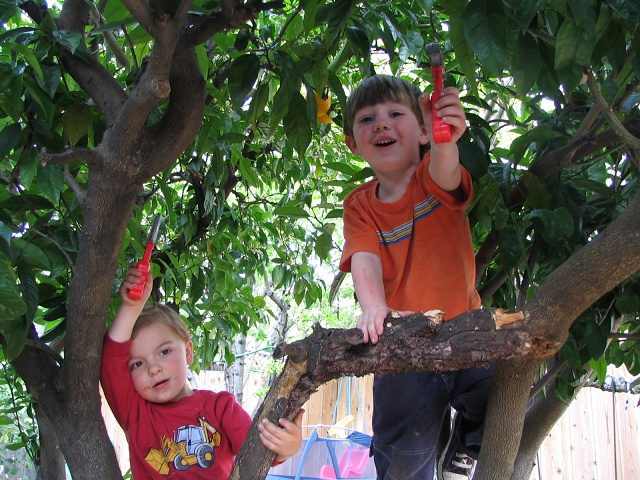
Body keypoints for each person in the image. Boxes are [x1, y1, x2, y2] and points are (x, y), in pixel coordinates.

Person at [339, 74, 495, 480]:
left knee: (498, 393)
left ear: (423, 131)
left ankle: (463, 449)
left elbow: (446, 170)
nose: (381, 123)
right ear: (353, 144)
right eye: (367, 119)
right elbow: (364, 259)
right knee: (402, 459)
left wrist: (445, 141)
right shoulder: (359, 206)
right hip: (403, 348)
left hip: (464, 331)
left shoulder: (432, 174)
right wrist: (375, 308)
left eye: (395, 114)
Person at [101, 266, 303, 479]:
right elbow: (111, 359)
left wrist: (287, 447)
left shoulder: (220, 408)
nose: (153, 369)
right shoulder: (135, 412)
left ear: (188, 352)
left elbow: (256, 450)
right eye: (138, 364)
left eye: (164, 352)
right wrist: (131, 308)